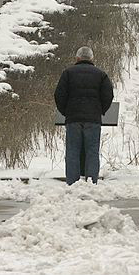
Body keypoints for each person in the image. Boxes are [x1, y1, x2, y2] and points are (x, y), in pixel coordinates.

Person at [54, 45, 114, 185]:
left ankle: (72, 183)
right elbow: (108, 95)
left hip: (73, 119)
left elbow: (59, 95)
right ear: (92, 58)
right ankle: (91, 182)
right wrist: (100, 110)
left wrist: (66, 111)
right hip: (93, 119)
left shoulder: (68, 73)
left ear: (77, 58)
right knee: (92, 151)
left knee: (73, 151)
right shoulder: (101, 74)